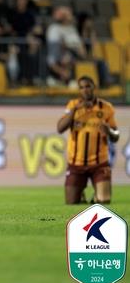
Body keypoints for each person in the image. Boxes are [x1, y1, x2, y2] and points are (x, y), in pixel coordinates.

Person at [57, 76, 119, 205]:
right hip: (76, 164)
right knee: (71, 202)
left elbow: (116, 135)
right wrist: (74, 110)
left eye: (88, 86)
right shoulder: (73, 105)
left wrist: (109, 131)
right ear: (79, 90)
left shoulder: (106, 107)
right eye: (81, 87)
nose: (85, 90)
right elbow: (60, 128)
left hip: (99, 163)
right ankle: (80, 194)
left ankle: (97, 196)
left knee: (104, 201)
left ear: (94, 87)